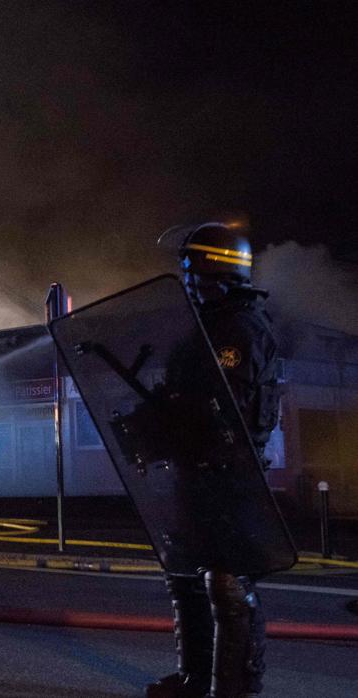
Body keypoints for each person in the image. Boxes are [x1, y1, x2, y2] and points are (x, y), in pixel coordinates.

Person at [147, 221, 281, 698]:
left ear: (214, 268)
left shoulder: (239, 330)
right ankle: (193, 679)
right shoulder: (202, 329)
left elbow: (225, 409)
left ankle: (235, 690)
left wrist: (180, 421)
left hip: (230, 478)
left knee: (228, 584)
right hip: (195, 473)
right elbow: (183, 397)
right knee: (185, 573)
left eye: (189, 267)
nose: (184, 279)